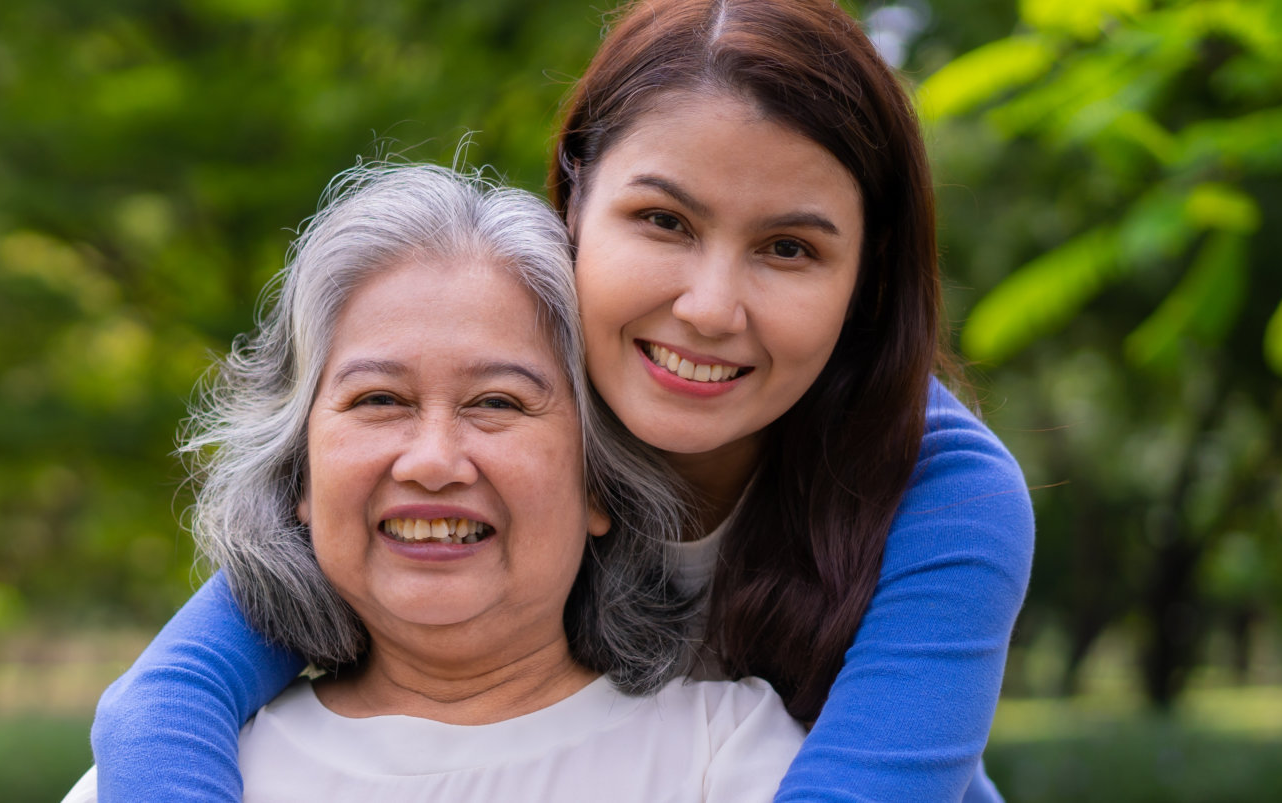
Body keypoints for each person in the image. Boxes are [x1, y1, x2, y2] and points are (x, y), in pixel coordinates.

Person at [90, 0, 1035, 800]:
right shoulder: (477, 420)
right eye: (663, 220)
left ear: (866, 280)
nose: (709, 308)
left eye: (790, 248)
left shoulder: (945, 487)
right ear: (573, 205)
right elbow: (163, 702)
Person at [65, 163, 808, 803]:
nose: (431, 461)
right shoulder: (164, 775)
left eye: (497, 403)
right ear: (300, 474)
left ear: (599, 485)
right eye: (379, 400)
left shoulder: (732, 752)